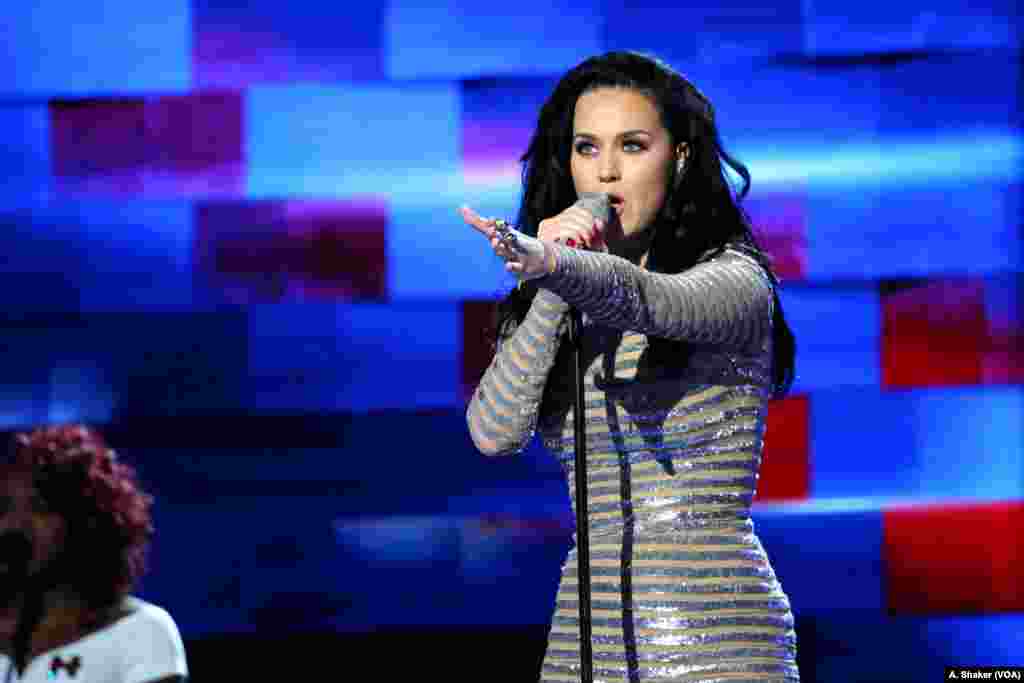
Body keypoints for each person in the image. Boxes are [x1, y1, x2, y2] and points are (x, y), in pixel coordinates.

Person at [460, 51, 800, 682]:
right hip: (583, 636)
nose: (607, 172)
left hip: (717, 641)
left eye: (633, 146)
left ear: (680, 157)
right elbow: (493, 432)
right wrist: (554, 282)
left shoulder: (734, 279)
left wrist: (562, 268)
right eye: (587, 149)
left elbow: (651, 301)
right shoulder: (556, 289)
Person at [0, 425, 188, 682]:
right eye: (7, 507)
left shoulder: (141, 631)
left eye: (39, 508)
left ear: (87, 520)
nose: (15, 525)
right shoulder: (9, 642)